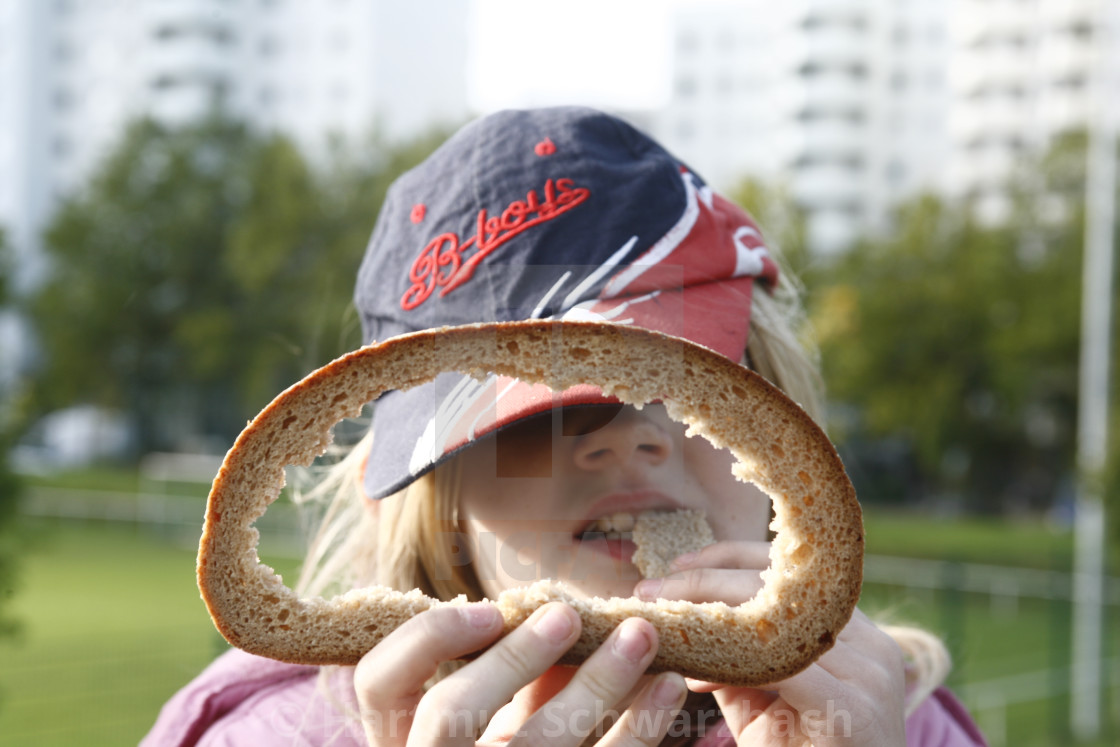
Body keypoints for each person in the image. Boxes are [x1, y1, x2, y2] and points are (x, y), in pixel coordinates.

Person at [144, 107, 987, 745]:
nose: (625, 436)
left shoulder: (898, 720)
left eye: (691, 391)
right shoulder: (269, 732)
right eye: (538, 411)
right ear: (433, 501)